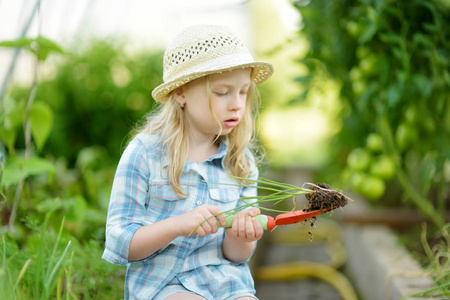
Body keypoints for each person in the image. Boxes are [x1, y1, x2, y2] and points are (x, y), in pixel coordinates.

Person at [102, 24, 274, 300]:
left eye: (243, 92)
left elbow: (236, 255)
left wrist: (243, 236)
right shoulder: (144, 154)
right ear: (181, 93)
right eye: (222, 92)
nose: (236, 104)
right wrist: (179, 224)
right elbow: (120, 242)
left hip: (226, 283)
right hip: (162, 285)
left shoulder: (240, 161)